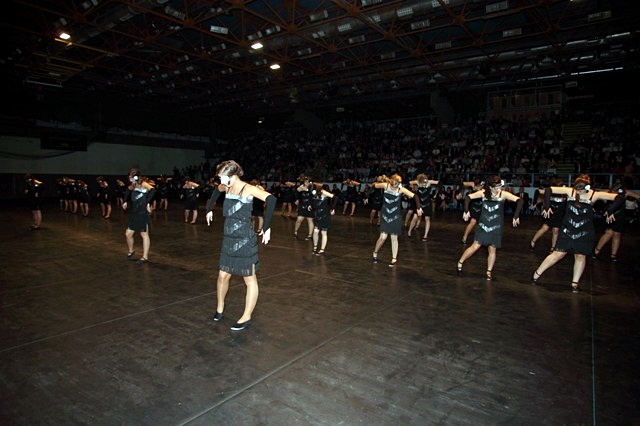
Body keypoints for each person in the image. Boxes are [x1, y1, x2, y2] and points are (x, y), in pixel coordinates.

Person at [205, 160, 277, 331]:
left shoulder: (248, 189)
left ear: (233, 175)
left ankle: (246, 316)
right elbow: (216, 190)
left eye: (222, 177)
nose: (221, 181)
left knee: (249, 279)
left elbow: (271, 199)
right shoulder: (226, 187)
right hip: (229, 239)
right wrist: (209, 209)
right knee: (223, 276)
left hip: (245, 240)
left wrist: (266, 227)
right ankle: (220, 308)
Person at [530, 174, 620, 292]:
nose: (577, 192)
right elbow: (548, 190)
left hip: (584, 231)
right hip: (568, 229)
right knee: (558, 254)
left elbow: (620, 197)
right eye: (576, 189)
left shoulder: (594, 194)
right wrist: (547, 206)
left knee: (580, 256)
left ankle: (574, 284)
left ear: (586, 188)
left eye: (580, 190)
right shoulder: (570, 191)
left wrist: (611, 210)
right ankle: (536, 275)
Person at [457, 176, 524, 280]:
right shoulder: (483, 193)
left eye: (500, 186)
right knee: (475, 246)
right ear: (491, 187)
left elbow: (520, 201)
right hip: (483, 224)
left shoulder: (503, 194)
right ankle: (460, 262)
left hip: (496, 225)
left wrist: (516, 215)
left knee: (492, 249)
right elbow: (468, 198)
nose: (499, 188)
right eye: (497, 187)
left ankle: (489, 271)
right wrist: (466, 210)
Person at [371, 174, 422, 267]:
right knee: (383, 237)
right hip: (385, 215)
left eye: (396, 186)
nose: (394, 188)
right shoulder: (385, 185)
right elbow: (374, 185)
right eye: (393, 186)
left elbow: (415, 196)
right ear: (390, 183)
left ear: (398, 184)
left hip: (395, 216)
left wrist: (418, 208)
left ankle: (394, 258)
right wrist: (377, 181)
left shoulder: (401, 189)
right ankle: (375, 252)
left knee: (394, 238)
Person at [593, 183, 640, 262]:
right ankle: (596, 251)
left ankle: (613, 255)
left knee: (617, 234)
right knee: (609, 233)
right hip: (609, 214)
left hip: (619, 215)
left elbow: (638, 196)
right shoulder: (608, 193)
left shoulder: (626, 192)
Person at [122, 168, 156, 264]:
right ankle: (131, 250)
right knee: (128, 234)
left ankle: (145, 257)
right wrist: (125, 201)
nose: (129, 179)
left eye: (131, 177)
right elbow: (127, 191)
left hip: (142, 213)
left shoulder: (143, 184)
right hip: (135, 213)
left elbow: (153, 190)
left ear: (136, 177)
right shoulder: (133, 185)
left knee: (144, 234)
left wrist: (147, 203)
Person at [529, 180, 566, 253]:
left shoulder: (565, 194)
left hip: (559, 213)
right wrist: (537, 205)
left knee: (556, 230)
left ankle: (553, 247)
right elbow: (543, 199)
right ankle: (533, 241)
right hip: (550, 212)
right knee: (545, 228)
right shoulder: (550, 192)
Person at [408, 174, 439, 241]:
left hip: (427, 204)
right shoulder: (417, 182)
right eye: (422, 183)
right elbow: (410, 182)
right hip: (419, 204)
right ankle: (409, 231)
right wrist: (413, 186)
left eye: (425, 183)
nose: (424, 184)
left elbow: (439, 183)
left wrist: (441, 192)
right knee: (415, 217)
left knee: (427, 219)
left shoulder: (429, 182)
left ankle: (425, 236)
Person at [311, 183, 336, 255]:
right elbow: (313, 201)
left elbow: (335, 198)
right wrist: (310, 206)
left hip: (325, 215)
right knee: (315, 231)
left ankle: (322, 249)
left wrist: (332, 208)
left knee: (323, 232)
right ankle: (315, 247)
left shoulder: (323, 192)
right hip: (318, 215)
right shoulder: (313, 193)